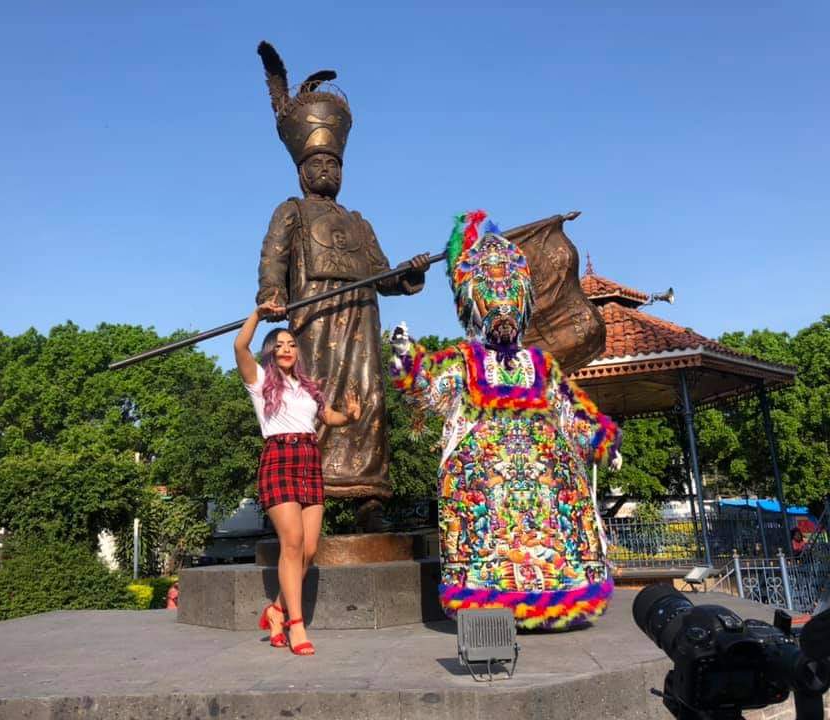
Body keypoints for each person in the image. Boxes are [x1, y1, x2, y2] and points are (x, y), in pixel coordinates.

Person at [388, 210, 622, 630]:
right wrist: (406, 361)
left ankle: (559, 600)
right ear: (476, 312)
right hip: (484, 469)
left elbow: (568, 410)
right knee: (475, 492)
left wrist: (602, 440)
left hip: (544, 467)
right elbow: (431, 395)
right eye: (493, 307)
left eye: (510, 308)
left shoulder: (539, 364)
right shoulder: (466, 359)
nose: (503, 317)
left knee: (564, 491)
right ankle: (486, 601)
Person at [255, 41, 429, 514]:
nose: (328, 170)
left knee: (367, 398)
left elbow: (382, 273)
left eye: (335, 164)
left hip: (360, 324)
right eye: (319, 163)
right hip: (313, 322)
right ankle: (306, 493)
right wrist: (272, 294)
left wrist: (408, 274)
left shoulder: (359, 222)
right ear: (301, 170)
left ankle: (368, 495)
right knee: (311, 400)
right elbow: (272, 260)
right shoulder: (290, 212)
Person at [235, 296, 361, 656]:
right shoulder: (260, 382)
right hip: (279, 457)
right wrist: (258, 314)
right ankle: (296, 625)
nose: (287, 348)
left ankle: (276, 610)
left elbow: (328, 417)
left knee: (307, 550)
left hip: (308, 458)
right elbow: (239, 345)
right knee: (290, 543)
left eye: (291, 344)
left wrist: (349, 416)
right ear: (271, 351)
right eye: (280, 344)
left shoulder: (307, 387)